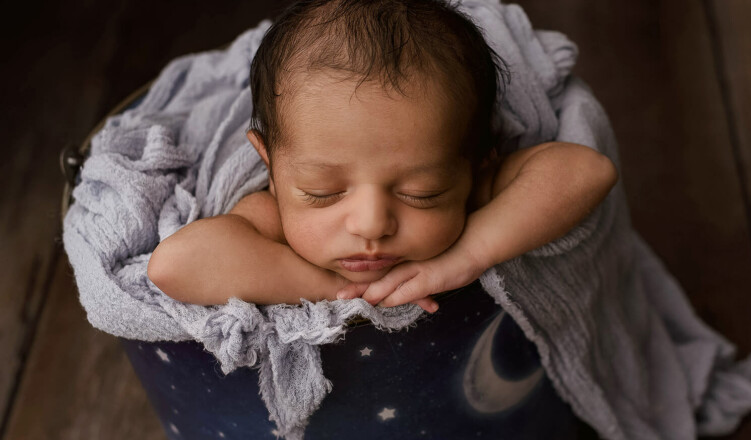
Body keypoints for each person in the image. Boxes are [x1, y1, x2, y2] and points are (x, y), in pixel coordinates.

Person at [147, 0, 616, 313]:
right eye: (323, 192)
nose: (371, 225)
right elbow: (174, 265)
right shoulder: (270, 215)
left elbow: (587, 171)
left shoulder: (473, 185)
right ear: (270, 167)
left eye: (421, 194)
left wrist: (470, 254)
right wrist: (331, 289)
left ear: (476, 166)